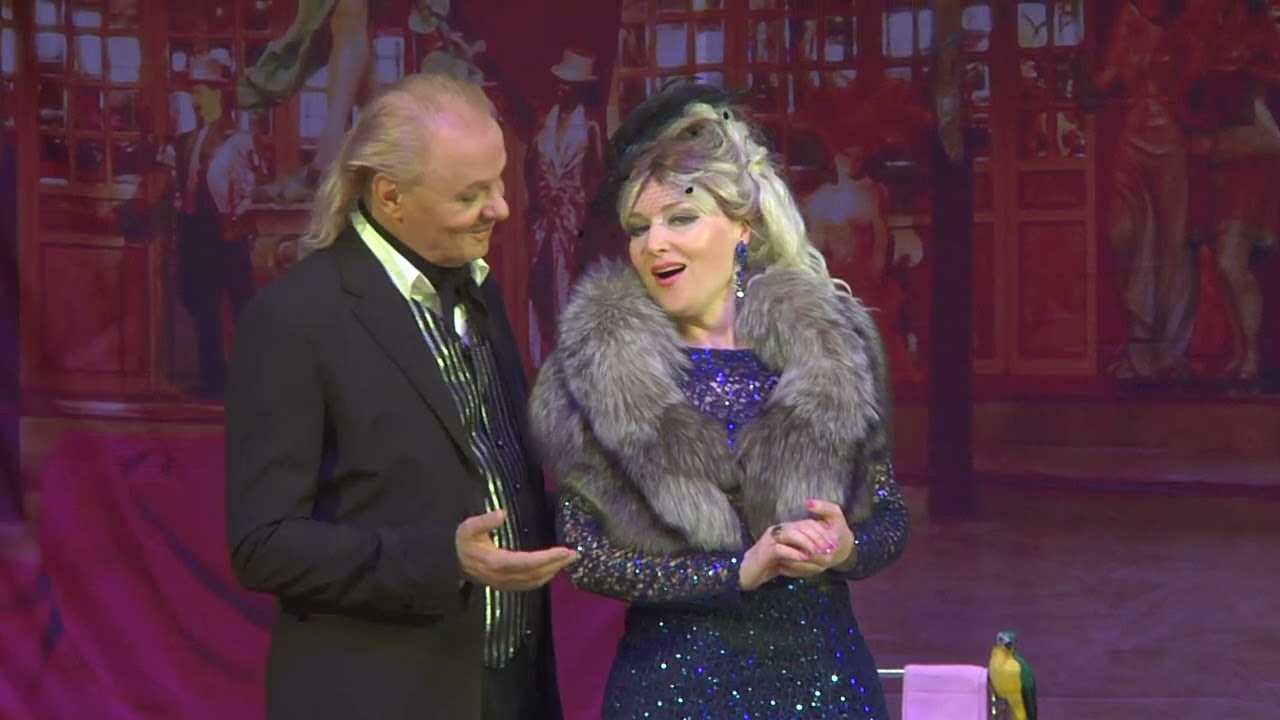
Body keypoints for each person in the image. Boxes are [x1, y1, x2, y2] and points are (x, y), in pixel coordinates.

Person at [529, 91, 909, 719]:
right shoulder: (600, 372)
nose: (654, 243)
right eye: (639, 227)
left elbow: (889, 521)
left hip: (824, 681)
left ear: (742, 227)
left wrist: (845, 549)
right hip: (670, 690)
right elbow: (587, 557)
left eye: (680, 219)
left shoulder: (828, 354)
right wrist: (738, 572)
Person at [224, 72, 573, 720]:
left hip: (508, 691)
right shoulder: (295, 319)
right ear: (390, 196)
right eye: (471, 194)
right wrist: (443, 559)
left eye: (499, 182)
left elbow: (490, 476)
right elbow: (263, 546)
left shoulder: (479, 288)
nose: (500, 208)